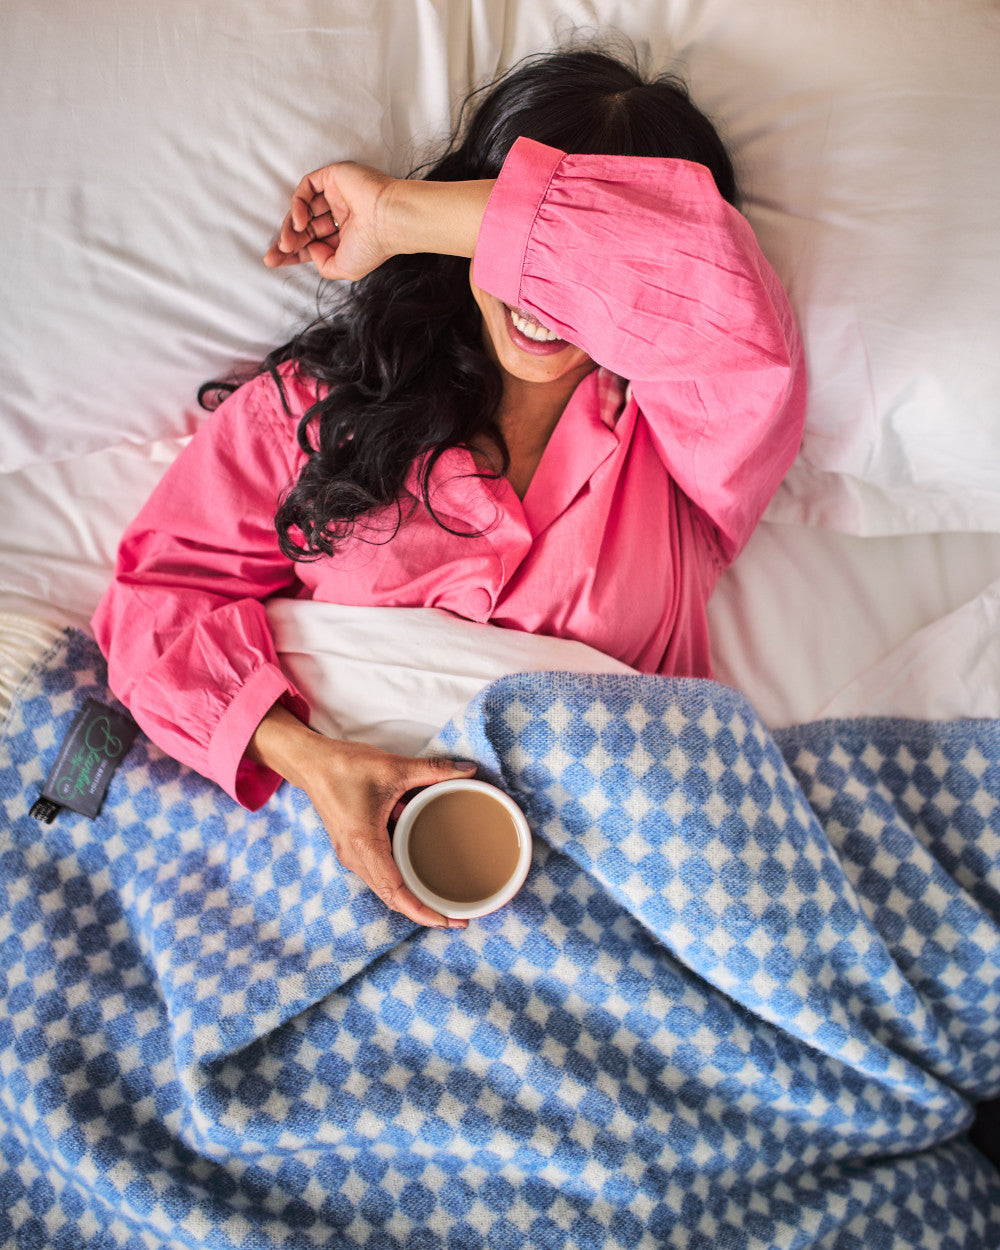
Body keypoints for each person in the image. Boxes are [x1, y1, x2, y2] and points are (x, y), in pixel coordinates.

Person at [92, 47, 806, 932]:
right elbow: (152, 611)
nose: (553, 304)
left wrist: (395, 210)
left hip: (610, 898)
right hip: (324, 866)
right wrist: (313, 762)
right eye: (517, 234)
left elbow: (701, 273)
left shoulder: (692, 449)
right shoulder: (310, 415)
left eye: (579, 274)